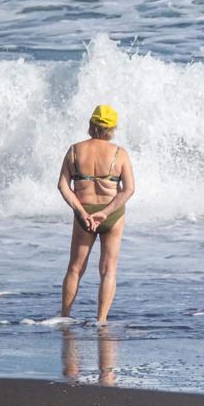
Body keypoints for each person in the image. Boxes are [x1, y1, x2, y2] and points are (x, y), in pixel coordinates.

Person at [57, 104, 136, 322]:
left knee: (75, 268)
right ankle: (101, 321)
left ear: (91, 124)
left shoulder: (74, 150)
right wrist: (105, 213)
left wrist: (82, 213)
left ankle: (65, 317)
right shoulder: (120, 153)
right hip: (112, 214)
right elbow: (129, 189)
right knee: (108, 269)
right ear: (112, 128)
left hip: (85, 212)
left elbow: (63, 186)